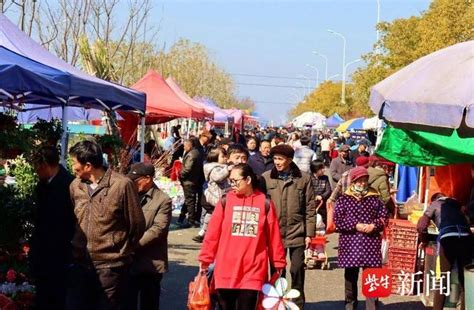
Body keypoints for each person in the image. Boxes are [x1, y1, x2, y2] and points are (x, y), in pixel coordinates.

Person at [67, 140, 145, 309]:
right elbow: (74, 218)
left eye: (74, 163)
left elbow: (137, 224)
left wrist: (121, 249)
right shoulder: (75, 186)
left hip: (110, 266)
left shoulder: (121, 185)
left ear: (88, 166)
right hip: (81, 263)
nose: (72, 167)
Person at [199, 164, 286, 310]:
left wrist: (279, 262)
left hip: (253, 269)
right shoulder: (225, 202)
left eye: (235, 181)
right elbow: (212, 234)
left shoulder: (265, 203)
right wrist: (205, 259)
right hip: (225, 269)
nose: (232, 184)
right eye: (230, 181)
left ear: (248, 180)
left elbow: (273, 236)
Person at [261, 144, 316, 308]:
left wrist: (309, 233)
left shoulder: (304, 178)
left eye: (280, 159)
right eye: (275, 158)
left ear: (290, 160)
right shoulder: (266, 178)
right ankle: (278, 302)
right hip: (274, 232)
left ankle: (298, 303)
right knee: (278, 270)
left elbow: (310, 207)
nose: (277, 162)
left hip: (297, 230)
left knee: (297, 269)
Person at [334, 167, 388, 310]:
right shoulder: (344, 199)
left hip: (371, 243)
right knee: (350, 277)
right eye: (359, 180)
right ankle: (350, 305)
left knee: (372, 277)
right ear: (353, 181)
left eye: (365, 180)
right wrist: (355, 225)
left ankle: (372, 307)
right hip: (350, 243)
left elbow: (384, 218)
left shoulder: (375, 198)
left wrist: (373, 226)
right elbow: (338, 220)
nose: (362, 183)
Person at [29, 146, 75, 310]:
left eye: (37, 168)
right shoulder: (42, 185)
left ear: (45, 165)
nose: (36, 172)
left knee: (57, 297)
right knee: (42, 296)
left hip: (60, 252)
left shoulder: (69, 185)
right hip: (42, 250)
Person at [126, 163, 172, 310]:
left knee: (149, 302)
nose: (133, 183)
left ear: (148, 178)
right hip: (128, 261)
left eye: (136, 180)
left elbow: (158, 229)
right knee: (127, 301)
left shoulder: (163, 200)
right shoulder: (128, 195)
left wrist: (132, 246)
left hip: (150, 262)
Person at [417, 193, 473, 310]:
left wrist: (424, 240)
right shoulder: (458, 204)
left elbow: (421, 226)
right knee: (465, 280)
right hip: (466, 238)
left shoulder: (434, 204)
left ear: (434, 199)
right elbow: (468, 217)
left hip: (448, 238)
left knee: (443, 278)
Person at [193, 147, 231, 243]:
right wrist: (228, 169)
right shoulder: (214, 168)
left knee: (211, 213)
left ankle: (203, 232)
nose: (225, 158)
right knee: (216, 214)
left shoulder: (217, 167)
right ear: (215, 157)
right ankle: (207, 232)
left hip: (217, 195)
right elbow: (218, 177)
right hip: (216, 196)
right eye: (223, 156)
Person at [179, 138, 205, 227]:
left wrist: (181, 175)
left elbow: (187, 169)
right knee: (190, 200)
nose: (184, 148)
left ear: (189, 145)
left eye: (185, 146)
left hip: (189, 181)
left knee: (190, 201)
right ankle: (182, 218)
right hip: (194, 180)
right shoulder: (197, 152)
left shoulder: (191, 155)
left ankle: (191, 220)